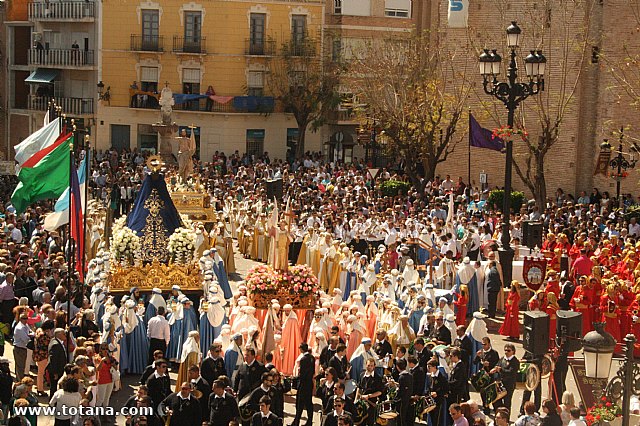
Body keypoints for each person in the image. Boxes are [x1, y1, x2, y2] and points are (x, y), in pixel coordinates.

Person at [491, 344, 519, 416]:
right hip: (500, 383)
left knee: (507, 402)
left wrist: (501, 370)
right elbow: (497, 365)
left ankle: (506, 418)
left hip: (509, 385)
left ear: (513, 351)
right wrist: (495, 369)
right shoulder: (502, 359)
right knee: (496, 400)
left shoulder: (515, 361)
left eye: (508, 350)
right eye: (505, 350)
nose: (506, 352)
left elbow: (511, 372)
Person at [291, 343, 315, 426]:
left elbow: (302, 374)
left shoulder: (303, 359)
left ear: (301, 349)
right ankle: (309, 421)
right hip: (309, 383)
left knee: (299, 403)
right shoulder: (312, 358)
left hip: (303, 384)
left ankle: (296, 422)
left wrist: (295, 379)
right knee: (309, 403)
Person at [357, 358, 384, 426]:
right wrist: (356, 399)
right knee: (360, 422)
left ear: (374, 366)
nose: (370, 367)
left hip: (372, 403)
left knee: (370, 422)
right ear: (366, 365)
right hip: (362, 403)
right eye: (368, 365)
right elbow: (359, 387)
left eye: (371, 366)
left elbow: (380, 392)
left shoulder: (378, 378)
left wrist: (368, 396)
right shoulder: (362, 375)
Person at [48, 328, 68, 399]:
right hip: (56, 371)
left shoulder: (55, 341)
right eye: (64, 334)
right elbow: (53, 360)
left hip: (59, 369)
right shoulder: (55, 345)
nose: (65, 335)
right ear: (59, 335)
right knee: (54, 387)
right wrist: (55, 373)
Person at [13, 314, 32, 381]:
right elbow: (26, 339)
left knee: (20, 366)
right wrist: (31, 336)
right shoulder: (19, 328)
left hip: (23, 348)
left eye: (26, 318)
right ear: (21, 319)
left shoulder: (25, 326)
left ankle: (19, 380)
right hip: (19, 349)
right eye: (24, 318)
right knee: (20, 367)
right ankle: (20, 382)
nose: (26, 320)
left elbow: (30, 332)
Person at [396, 358, 413, 426]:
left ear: (397, 367)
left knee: (400, 418)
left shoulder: (401, 377)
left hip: (402, 401)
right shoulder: (410, 375)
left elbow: (400, 390)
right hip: (408, 399)